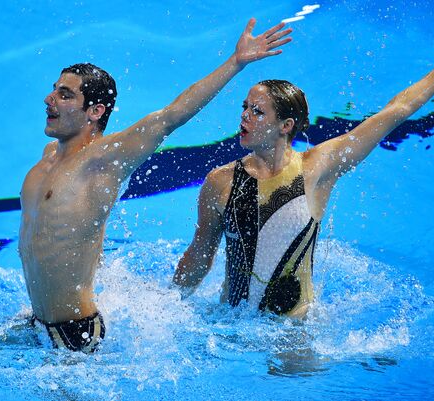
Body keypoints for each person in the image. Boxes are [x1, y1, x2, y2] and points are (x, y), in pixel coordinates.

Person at [18, 18, 292, 352]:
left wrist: (236, 62)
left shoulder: (103, 160)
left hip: (75, 333)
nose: (49, 99)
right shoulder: (48, 157)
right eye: (54, 90)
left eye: (64, 95)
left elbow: (172, 116)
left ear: (95, 111)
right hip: (35, 322)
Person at [173, 30, 434, 318]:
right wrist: (168, 305)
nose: (245, 116)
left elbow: (396, 111)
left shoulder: (317, 167)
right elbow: (200, 255)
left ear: (285, 126)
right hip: (233, 325)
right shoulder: (221, 181)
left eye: (257, 111)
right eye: (245, 107)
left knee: (297, 372)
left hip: (293, 327)